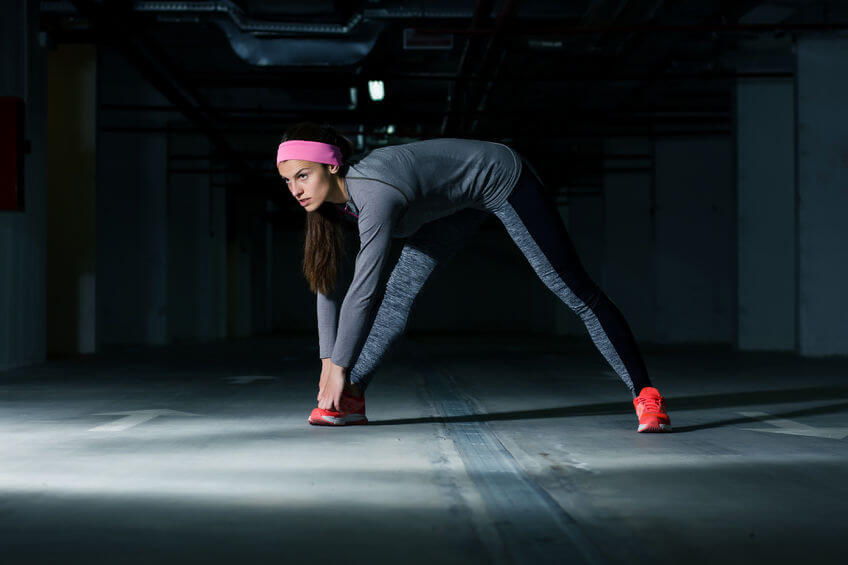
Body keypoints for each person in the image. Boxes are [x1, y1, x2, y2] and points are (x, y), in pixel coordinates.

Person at [275, 122, 672, 433]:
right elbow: (325, 284)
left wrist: (339, 367)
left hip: (499, 177)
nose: (295, 189)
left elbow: (364, 288)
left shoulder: (372, 193)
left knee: (571, 287)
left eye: (303, 175)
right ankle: (354, 399)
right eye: (288, 181)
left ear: (331, 165)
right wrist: (328, 360)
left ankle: (646, 394)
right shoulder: (326, 206)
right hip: (448, 204)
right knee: (400, 294)